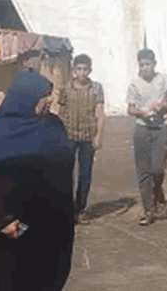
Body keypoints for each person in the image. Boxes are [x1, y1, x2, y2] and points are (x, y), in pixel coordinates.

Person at [0, 70, 75, 291]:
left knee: (48, 276)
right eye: (43, 97)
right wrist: (4, 220)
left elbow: (66, 162)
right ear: (26, 97)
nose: (49, 102)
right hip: (14, 223)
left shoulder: (53, 125)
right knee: (12, 277)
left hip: (51, 221)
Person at [127, 48, 167, 226]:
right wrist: (140, 112)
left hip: (160, 128)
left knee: (157, 169)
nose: (145, 68)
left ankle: (157, 192)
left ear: (154, 64)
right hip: (142, 129)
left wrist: (161, 106)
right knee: (143, 172)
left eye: (148, 64)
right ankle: (148, 209)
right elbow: (130, 108)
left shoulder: (165, 79)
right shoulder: (134, 84)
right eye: (141, 65)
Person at [57, 54, 106, 223]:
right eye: (79, 69)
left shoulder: (96, 88)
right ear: (74, 70)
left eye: (85, 69)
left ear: (90, 71)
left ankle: (81, 209)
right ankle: (67, 210)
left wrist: (98, 136)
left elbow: (100, 113)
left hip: (88, 136)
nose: (82, 72)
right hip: (69, 136)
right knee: (65, 174)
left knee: (85, 175)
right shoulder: (66, 88)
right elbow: (60, 112)